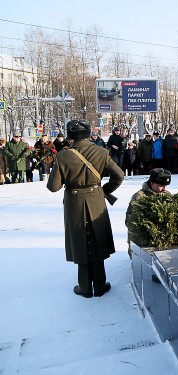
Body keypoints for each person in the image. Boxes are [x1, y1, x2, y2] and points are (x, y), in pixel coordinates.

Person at [47, 120, 124, 298]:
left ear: (69, 136)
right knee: (97, 237)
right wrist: (104, 190)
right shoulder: (102, 152)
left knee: (79, 239)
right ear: (89, 133)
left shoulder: (62, 156)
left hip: (74, 201)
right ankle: (99, 284)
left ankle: (84, 287)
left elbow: (53, 187)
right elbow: (119, 175)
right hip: (96, 198)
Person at [125, 168, 172, 254]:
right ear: (152, 183)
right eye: (161, 185)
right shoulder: (139, 197)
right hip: (141, 243)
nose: (164, 189)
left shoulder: (167, 195)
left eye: (166, 186)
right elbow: (130, 222)